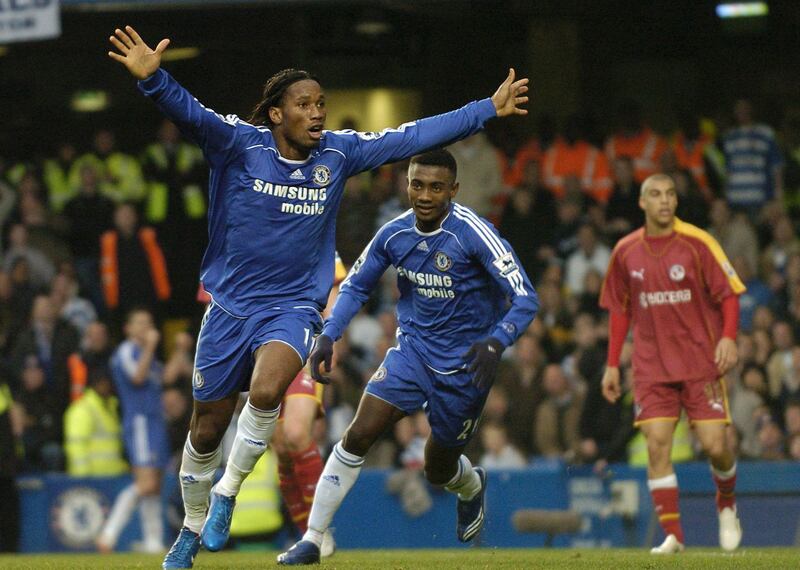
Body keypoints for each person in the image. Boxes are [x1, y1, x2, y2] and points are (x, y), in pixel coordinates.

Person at [107, 25, 529, 569]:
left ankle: (227, 494)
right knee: (205, 428)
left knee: (267, 389)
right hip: (229, 307)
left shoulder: (339, 153)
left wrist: (485, 110)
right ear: (277, 114)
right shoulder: (239, 144)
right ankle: (189, 530)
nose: (318, 113)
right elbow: (192, 113)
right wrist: (154, 81)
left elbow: (413, 136)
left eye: (321, 104)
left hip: (293, 306)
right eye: (305, 104)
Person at [278, 149, 538, 564]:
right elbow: (356, 285)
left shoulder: (473, 232)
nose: (425, 195)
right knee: (359, 433)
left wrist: (496, 341)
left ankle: (471, 487)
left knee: (438, 468)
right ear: (406, 184)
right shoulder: (393, 233)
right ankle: (313, 536)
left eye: (436, 187)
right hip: (412, 353)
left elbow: (525, 296)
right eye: (417, 184)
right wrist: (329, 333)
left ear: (453, 190)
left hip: (465, 366)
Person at [599, 173, 745, 554]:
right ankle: (674, 536)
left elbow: (729, 296)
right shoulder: (626, 251)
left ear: (676, 202)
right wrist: (612, 364)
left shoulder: (698, 243)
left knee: (715, 446)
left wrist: (728, 337)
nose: (664, 201)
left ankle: (727, 504)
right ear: (642, 203)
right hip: (651, 368)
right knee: (657, 445)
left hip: (700, 363)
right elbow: (619, 311)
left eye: (670, 195)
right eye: (655, 195)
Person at [97, 308, 169, 554]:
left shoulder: (148, 355)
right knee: (146, 483)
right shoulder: (126, 351)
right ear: (128, 328)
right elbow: (137, 377)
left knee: (155, 484)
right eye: (139, 322)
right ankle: (108, 533)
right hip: (140, 422)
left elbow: (165, 377)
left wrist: (180, 351)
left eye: (148, 321)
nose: (145, 326)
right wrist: (150, 346)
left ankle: (153, 541)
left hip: (155, 421)